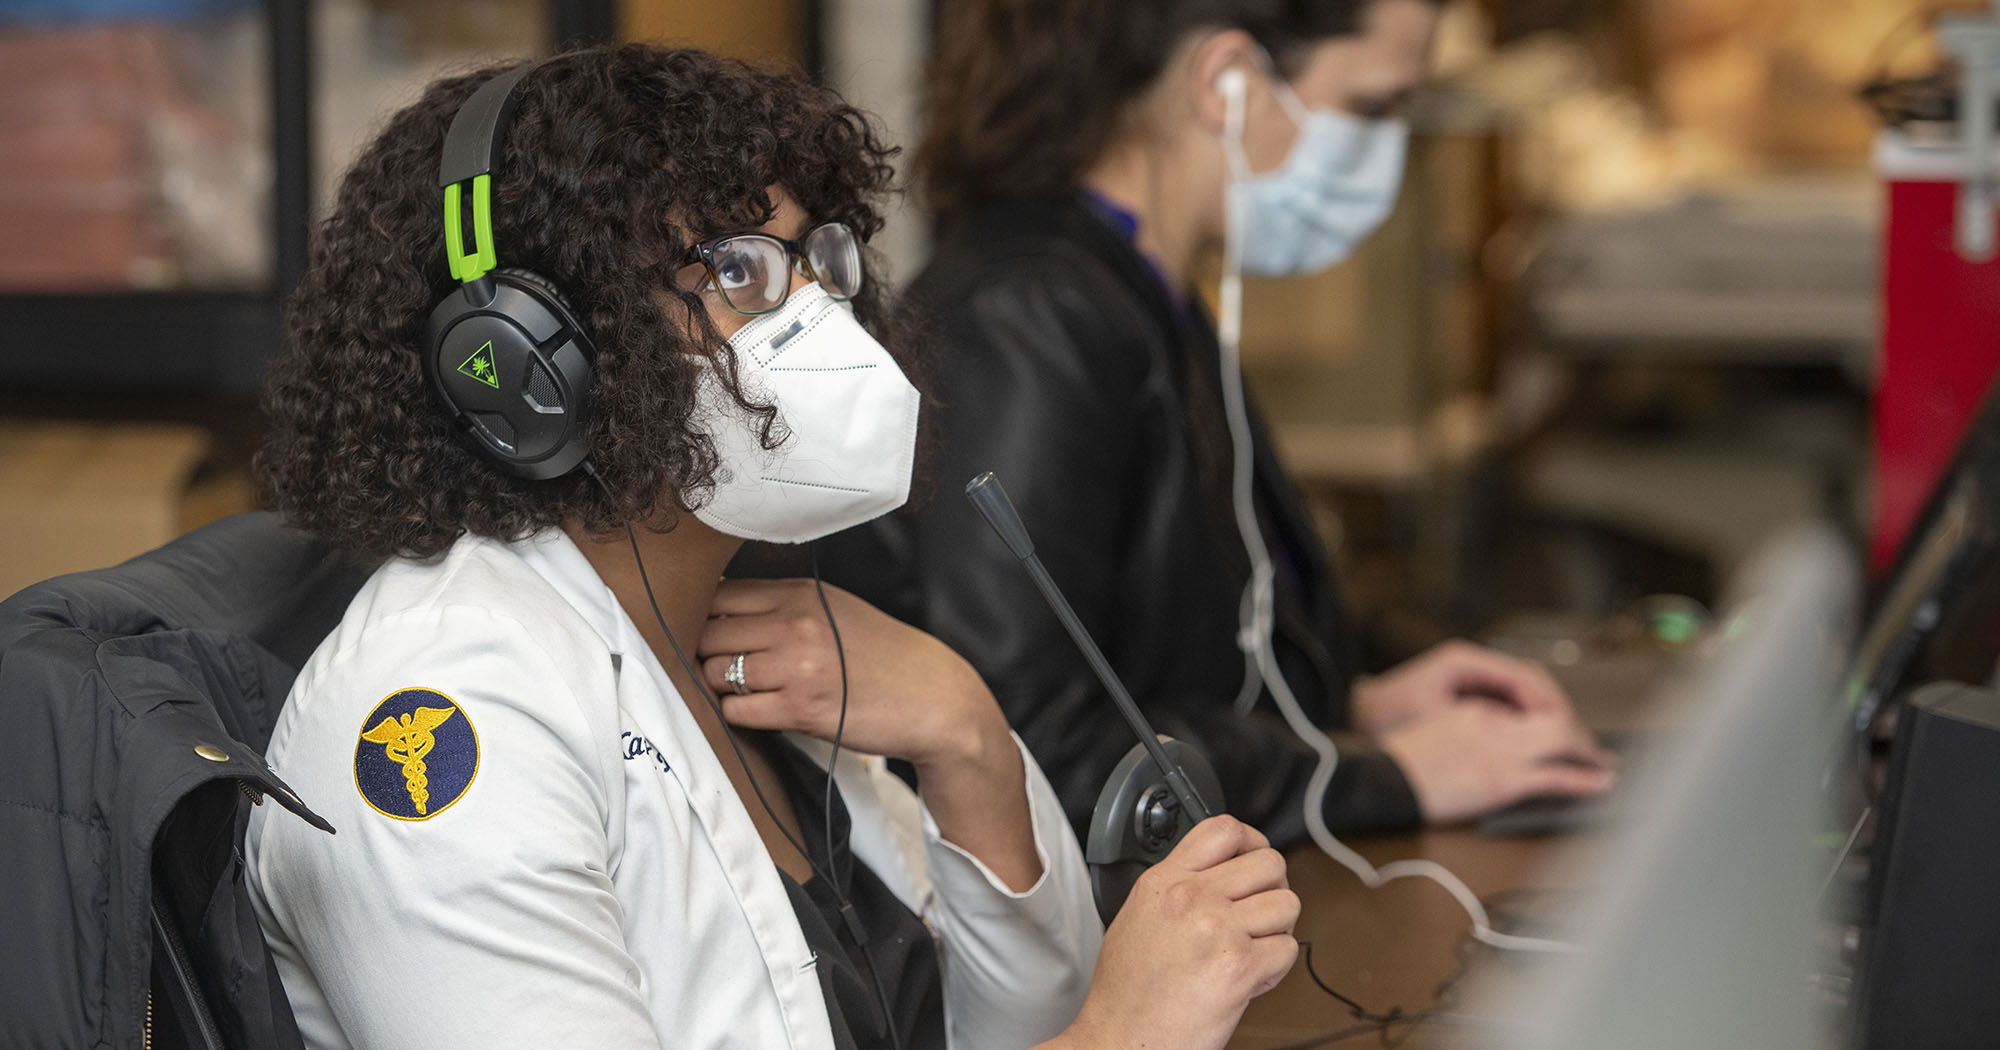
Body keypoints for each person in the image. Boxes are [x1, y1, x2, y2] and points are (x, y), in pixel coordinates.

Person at [246, 45, 1297, 1050]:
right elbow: (1096, 1031)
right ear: (531, 356)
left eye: (815, 262)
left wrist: (967, 736)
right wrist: (1126, 1034)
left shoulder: (762, 639)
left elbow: (1019, 1028)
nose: (820, 318)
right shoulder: (448, 713)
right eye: (739, 271)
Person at [810, 0, 1616, 846]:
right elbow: (1030, 751)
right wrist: (1388, 774)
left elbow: (1170, 646)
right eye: (1373, 105)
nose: (1387, 150)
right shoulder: (1030, 318)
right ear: (1226, 80)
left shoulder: (1137, 290)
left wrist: (1355, 707)